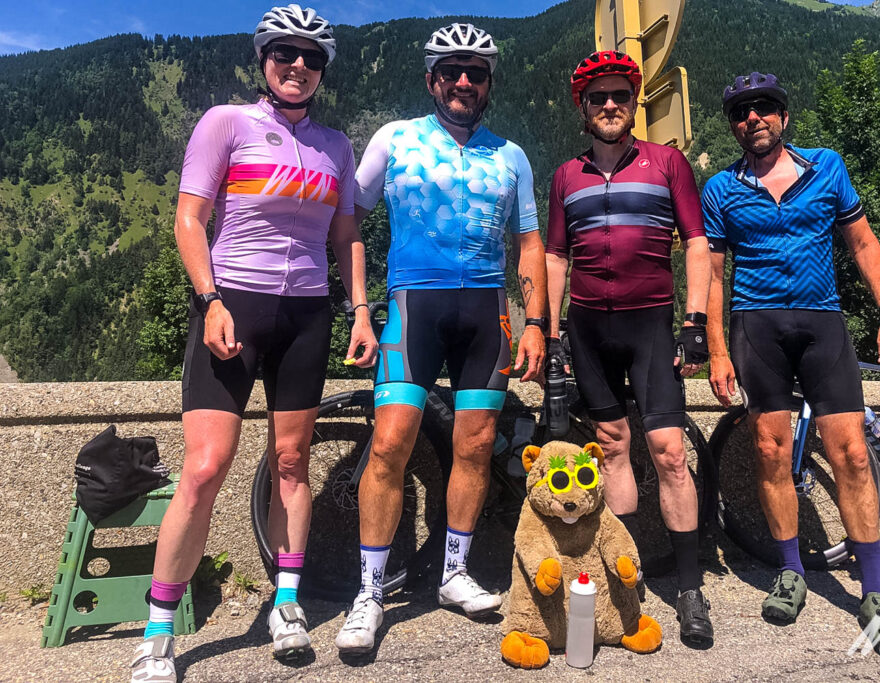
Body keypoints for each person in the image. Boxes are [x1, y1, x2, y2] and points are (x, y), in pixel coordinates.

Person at [129, 5, 377, 680]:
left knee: (292, 460)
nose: (298, 66)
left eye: (312, 58)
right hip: (233, 303)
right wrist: (208, 298)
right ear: (265, 59)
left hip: (306, 314)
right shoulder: (227, 123)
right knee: (206, 467)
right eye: (285, 55)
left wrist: (359, 311)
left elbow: (345, 235)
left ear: (323, 70)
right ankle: (157, 632)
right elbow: (190, 217)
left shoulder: (335, 145)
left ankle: (287, 602)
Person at [334, 23, 547, 653]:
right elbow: (350, 218)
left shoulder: (511, 155)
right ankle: (369, 593)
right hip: (411, 309)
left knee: (476, 445)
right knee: (390, 443)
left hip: (489, 312)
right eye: (450, 71)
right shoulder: (394, 139)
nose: (463, 81)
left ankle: (453, 574)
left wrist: (535, 321)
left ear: (487, 85)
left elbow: (529, 242)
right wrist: (360, 310)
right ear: (431, 79)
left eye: (475, 73)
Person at [703, 72, 880, 655]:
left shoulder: (827, 167)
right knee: (770, 451)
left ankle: (873, 589)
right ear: (734, 125)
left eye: (765, 108)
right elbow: (714, 277)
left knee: (849, 451)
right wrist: (717, 349)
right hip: (756, 325)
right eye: (742, 112)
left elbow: (863, 243)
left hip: (822, 321)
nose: (754, 118)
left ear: (784, 117)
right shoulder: (720, 188)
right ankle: (791, 570)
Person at [545, 50, 714, 645]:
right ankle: (629, 577)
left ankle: (690, 587)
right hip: (588, 329)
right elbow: (556, 256)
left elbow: (696, 242)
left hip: (650, 326)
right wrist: (551, 330)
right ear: (584, 109)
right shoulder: (566, 174)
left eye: (620, 96)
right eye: (599, 98)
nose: (610, 106)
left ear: (633, 104)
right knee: (613, 447)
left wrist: (694, 322)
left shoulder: (667, 163)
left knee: (668, 451)